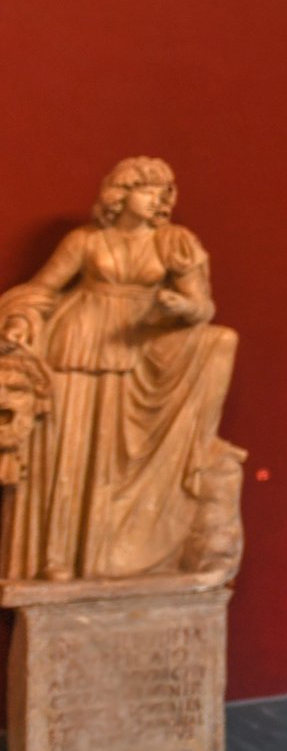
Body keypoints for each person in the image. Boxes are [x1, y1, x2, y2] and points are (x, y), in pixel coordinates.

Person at [0, 157, 240, 582]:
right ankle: (61, 557)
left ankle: (113, 552)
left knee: (111, 460)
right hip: (80, 343)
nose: (159, 200)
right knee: (72, 454)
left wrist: (181, 307)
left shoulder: (175, 242)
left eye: (165, 192)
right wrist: (20, 320)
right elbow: (44, 287)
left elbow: (203, 306)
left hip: (139, 346)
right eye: (148, 190)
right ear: (120, 194)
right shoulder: (85, 242)